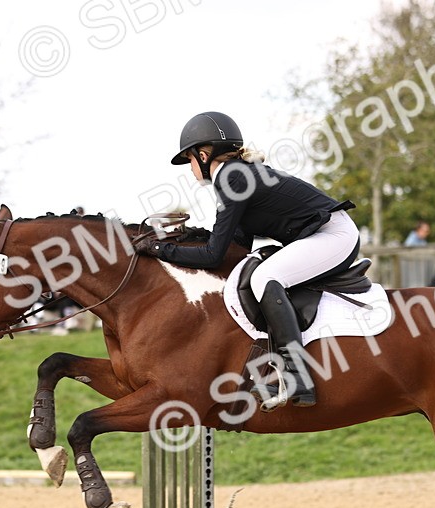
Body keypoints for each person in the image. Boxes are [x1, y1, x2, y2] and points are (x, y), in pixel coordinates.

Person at [135, 111, 360, 411]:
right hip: (324, 235)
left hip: (334, 236)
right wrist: (184, 238)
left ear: (203, 155)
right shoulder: (236, 175)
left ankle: (297, 375)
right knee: (258, 272)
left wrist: (161, 251)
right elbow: (236, 245)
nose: (190, 168)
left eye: (189, 160)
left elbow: (214, 255)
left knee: (264, 278)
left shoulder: (232, 177)